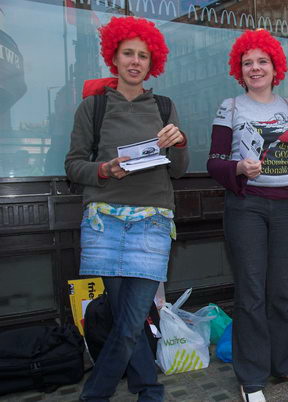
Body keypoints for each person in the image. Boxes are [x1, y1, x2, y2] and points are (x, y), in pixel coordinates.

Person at [65, 16, 188, 401]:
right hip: (106, 221)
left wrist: (179, 142)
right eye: (128, 54)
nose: (135, 61)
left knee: (133, 318)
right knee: (127, 319)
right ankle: (148, 388)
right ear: (114, 58)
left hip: (152, 220)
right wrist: (103, 169)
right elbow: (73, 166)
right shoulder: (93, 107)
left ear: (153, 64)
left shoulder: (165, 106)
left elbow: (179, 171)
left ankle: (95, 394)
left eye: (143, 56)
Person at [207, 29, 288, 402]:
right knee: (252, 292)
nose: (255, 68)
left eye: (262, 62)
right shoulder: (231, 106)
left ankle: (284, 362)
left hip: (286, 206)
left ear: (276, 68)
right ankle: (251, 376)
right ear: (239, 70)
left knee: (281, 290)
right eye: (247, 63)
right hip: (247, 207)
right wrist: (239, 168)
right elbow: (214, 161)